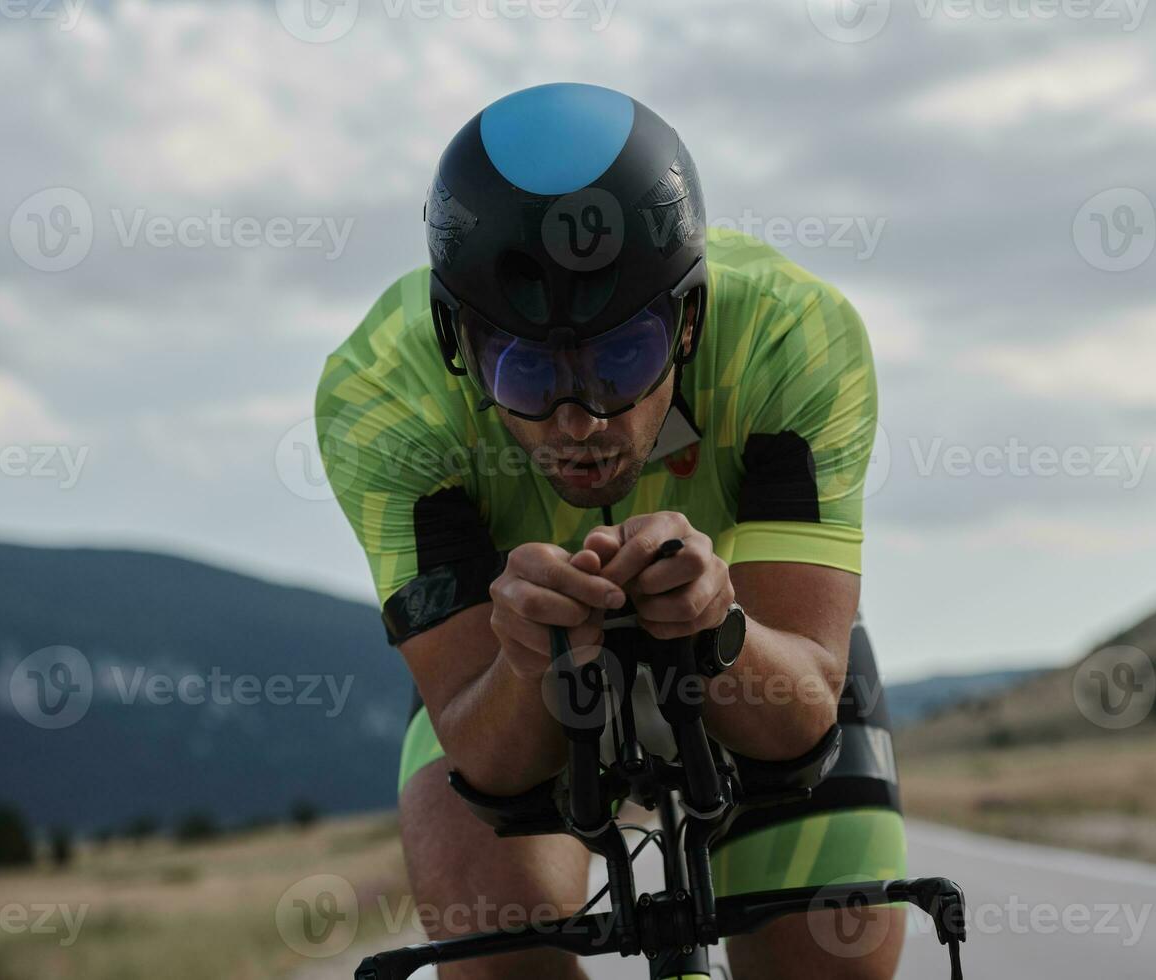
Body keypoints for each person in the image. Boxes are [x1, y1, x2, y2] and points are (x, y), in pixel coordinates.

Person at [316, 82, 904, 979]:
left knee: (838, 964)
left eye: (623, 357)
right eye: (522, 372)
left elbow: (799, 721)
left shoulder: (794, 337)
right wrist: (526, 661)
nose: (579, 418)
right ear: (455, 344)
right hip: (506, 660)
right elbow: (484, 755)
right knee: (497, 958)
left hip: (752, 634)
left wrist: (721, 632)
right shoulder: (383, 397)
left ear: (692, 319)